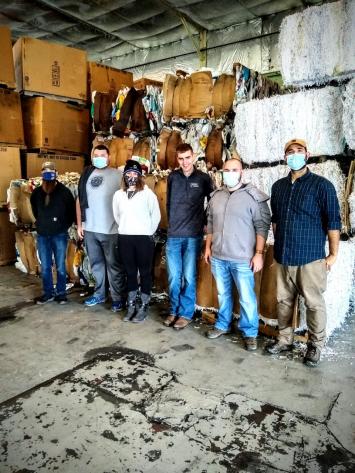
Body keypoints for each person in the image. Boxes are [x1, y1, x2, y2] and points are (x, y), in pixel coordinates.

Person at [266, 139, 341, 366]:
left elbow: (334, 222)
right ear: (285, 157)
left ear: (307, 155)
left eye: (299, 151)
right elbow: (276, 221)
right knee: (283, 302)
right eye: (290, 152)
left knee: (314, 304)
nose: (294, 155)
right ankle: (284, 339)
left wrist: (333, 254)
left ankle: (315, 345)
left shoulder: (322, 185)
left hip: (310, 258)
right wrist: (278, 247)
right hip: (283, 256)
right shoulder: (278, 187)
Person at [204, 157, 271, 350]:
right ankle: (223, 324)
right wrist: (208, 247)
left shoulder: (254, 197)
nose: (230, 173)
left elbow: (262, 226)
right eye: (227, 170)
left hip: (242, 259)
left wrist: (258, 253)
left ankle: (250, 332)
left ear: (242, 172)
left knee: (246, 297)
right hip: (218, 256)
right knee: (223, 294)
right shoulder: (216, 196)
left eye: (234, 170)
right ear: (222, 172)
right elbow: (210, 224)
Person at [164, 143, 213, 330]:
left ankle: (186, 313)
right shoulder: (172, 177)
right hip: (174, 235)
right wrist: (172, 225)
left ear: (194, 156)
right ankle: (174, 310)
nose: (184, 162)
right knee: (174, 276)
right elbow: (168, 204)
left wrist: (206, 223)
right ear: (177, 159)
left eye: (187, 157)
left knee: (188, 276)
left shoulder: (203, 178)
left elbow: (213, 202)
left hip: (193, 236)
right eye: (181, 158)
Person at [77, 144, 127, 311]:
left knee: (114, 265)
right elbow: (79, 200)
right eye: (96, 154)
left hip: (111, 230)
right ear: (92, 156)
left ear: (109, 157)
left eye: (102, 155)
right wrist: (79, 224)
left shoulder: (118, 175)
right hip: (90, 229)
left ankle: (117, 298)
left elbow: (127, 199)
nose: (99, 157)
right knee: (96, 264)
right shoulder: (86, 174)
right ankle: (99, 294)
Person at [112, 160, 160, 322]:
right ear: (124, 175)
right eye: (128, 173)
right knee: (130, 272)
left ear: (140, 176)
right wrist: (127, 228)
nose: (131, 176)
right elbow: (117, 216)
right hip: (125, 237)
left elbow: (156, 216)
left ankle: (144, 306)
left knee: (145, 273)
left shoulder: (148, 194)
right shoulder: (118, 195)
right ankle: (131, 305)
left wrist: (147, 232)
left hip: (143, 239)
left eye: (135, 173)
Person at [30, 161, 76, 304]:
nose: (48, 173)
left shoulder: (64, 192)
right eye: (45, 171)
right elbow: (35, 211)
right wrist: (42, 224)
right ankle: (48, 293)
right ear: (41, 173)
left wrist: (62, 227)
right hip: (43, 235)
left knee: (61, 266)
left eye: (51, 171)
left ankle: (61, 294)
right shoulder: (36, 193)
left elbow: (71, 212)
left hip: (59, 235)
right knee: (45, 266)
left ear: (56, 173)